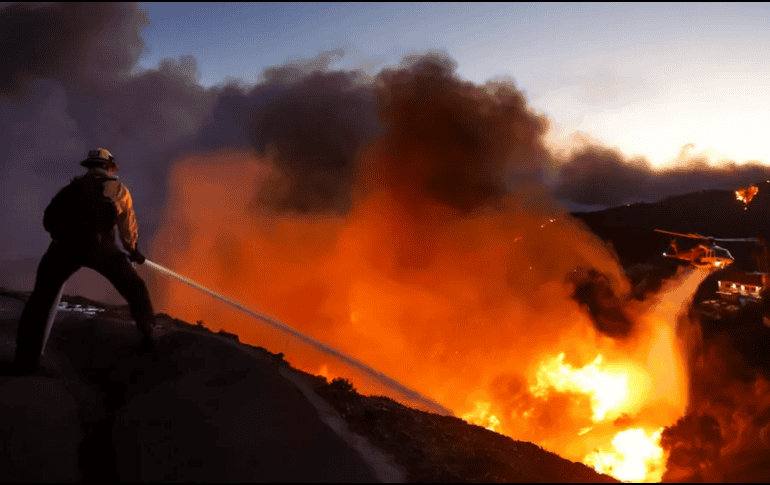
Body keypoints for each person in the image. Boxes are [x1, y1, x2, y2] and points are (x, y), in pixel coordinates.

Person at [12, 148, 155, 375]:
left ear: (89, 167)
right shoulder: (116, 189)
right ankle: (148, 337)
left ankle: (25, 360)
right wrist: (132, 250)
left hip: (63, 249)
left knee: (40, 301)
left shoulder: (70, 189)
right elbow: (127, 225)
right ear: (110, 167)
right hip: (101, 249)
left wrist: (62, 239)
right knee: (135, 288)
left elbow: (49, 218)